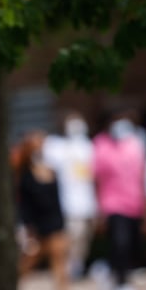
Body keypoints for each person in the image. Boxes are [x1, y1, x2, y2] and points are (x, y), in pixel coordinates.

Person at [17, 131, 80, 290]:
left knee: (60, 263)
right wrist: (27, 229)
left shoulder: (52, 171)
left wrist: (62, 225)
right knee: (27, 264)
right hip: (36, 228)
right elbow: (24, 206)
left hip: (55, 225)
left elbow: (58, 201)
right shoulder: (25, 176)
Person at [93, 108, 146, 290]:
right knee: (120, 243)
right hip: (112, 204)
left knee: (132, 246)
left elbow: (142, 174)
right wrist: (98, 209)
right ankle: (121, 284)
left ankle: (112, 273)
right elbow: (96, 178)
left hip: (134, 204)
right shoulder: (101, 145)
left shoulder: (134, 144)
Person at [43, 111, 97, 280]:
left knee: (83, 239)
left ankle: (76, 266)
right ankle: (66, 268)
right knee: (71, 236)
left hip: (87, 203)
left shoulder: (88, 147)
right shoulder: (59, 147)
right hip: (68, 203)